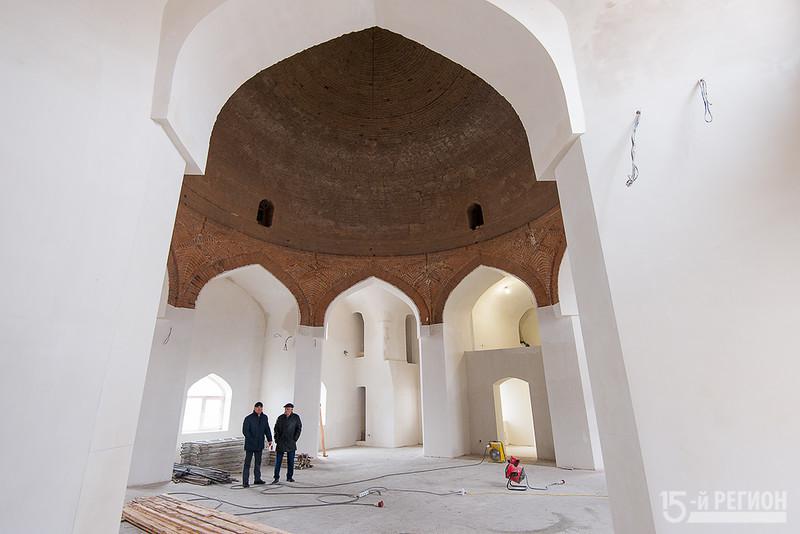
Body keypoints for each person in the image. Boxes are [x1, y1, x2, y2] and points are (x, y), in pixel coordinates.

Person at [241, 401, 272, 488]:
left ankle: (257, 479)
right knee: (247, 464)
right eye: (258, 408)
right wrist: (252, 440)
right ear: (254, 408)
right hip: (250, 445)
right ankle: (245, 482)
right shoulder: (248, 418)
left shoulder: (264, 418)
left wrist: (270, 439)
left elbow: (267, 429)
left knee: (258, 463)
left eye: (261, 408)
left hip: (259, 444)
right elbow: (245, 431)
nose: (259, 409)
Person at [272, 402, 302, 483]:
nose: (286, 410)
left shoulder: (296, 418)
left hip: (291, 442)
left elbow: (299, 429)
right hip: (281, 442)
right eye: (285, 409)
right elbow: (276, 429)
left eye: (288, 409)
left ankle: (289, 477)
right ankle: (276, 478)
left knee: (291, 461)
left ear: (292, 410)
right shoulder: (280, 418)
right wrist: (276, 439)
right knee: (278, 461)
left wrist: (295, 439)